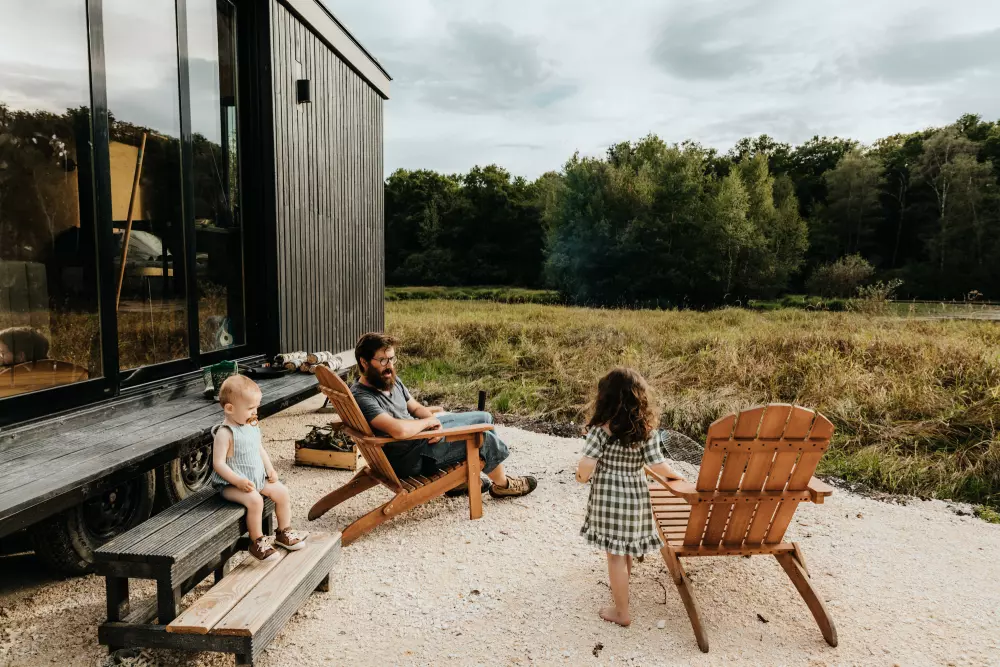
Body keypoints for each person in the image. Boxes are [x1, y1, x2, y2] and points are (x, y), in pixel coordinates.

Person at [350, 332, 537, 499]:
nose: (389, 365)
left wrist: (431, 423)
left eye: (392, 359)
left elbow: (415, 407)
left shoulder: (388, 379)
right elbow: (397, 430)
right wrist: (429, 422)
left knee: (484, 418)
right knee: (482, 438)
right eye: (383, 360)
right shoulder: (363, 396)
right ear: (364, 362)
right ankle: (503, 485)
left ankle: (461, 480)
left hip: (419, 438)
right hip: (410, 458)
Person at [576, 367, 685, 627]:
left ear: (605, 399)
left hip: (609, 498)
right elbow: (658, 466)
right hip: (635, 497)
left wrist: (581, 478)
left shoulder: (601, 430)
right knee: (623, 548)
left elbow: (586, 465)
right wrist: (676, 478)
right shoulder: (645, 431)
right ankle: (622, 596)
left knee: (614, 554)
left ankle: (621, 612)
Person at [209, 374, 308, 561]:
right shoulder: (225, 432)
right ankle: (257, 541)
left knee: (282, 492)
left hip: (256, 479)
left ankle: (283, 531)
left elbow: (259, 449)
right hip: (230, 485)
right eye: (250, 408)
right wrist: (237, 481)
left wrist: (269, 469)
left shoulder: (251, 425)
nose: (255, 412)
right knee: (255, 500)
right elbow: (218, 463)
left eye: (256, 407)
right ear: (230, 408)